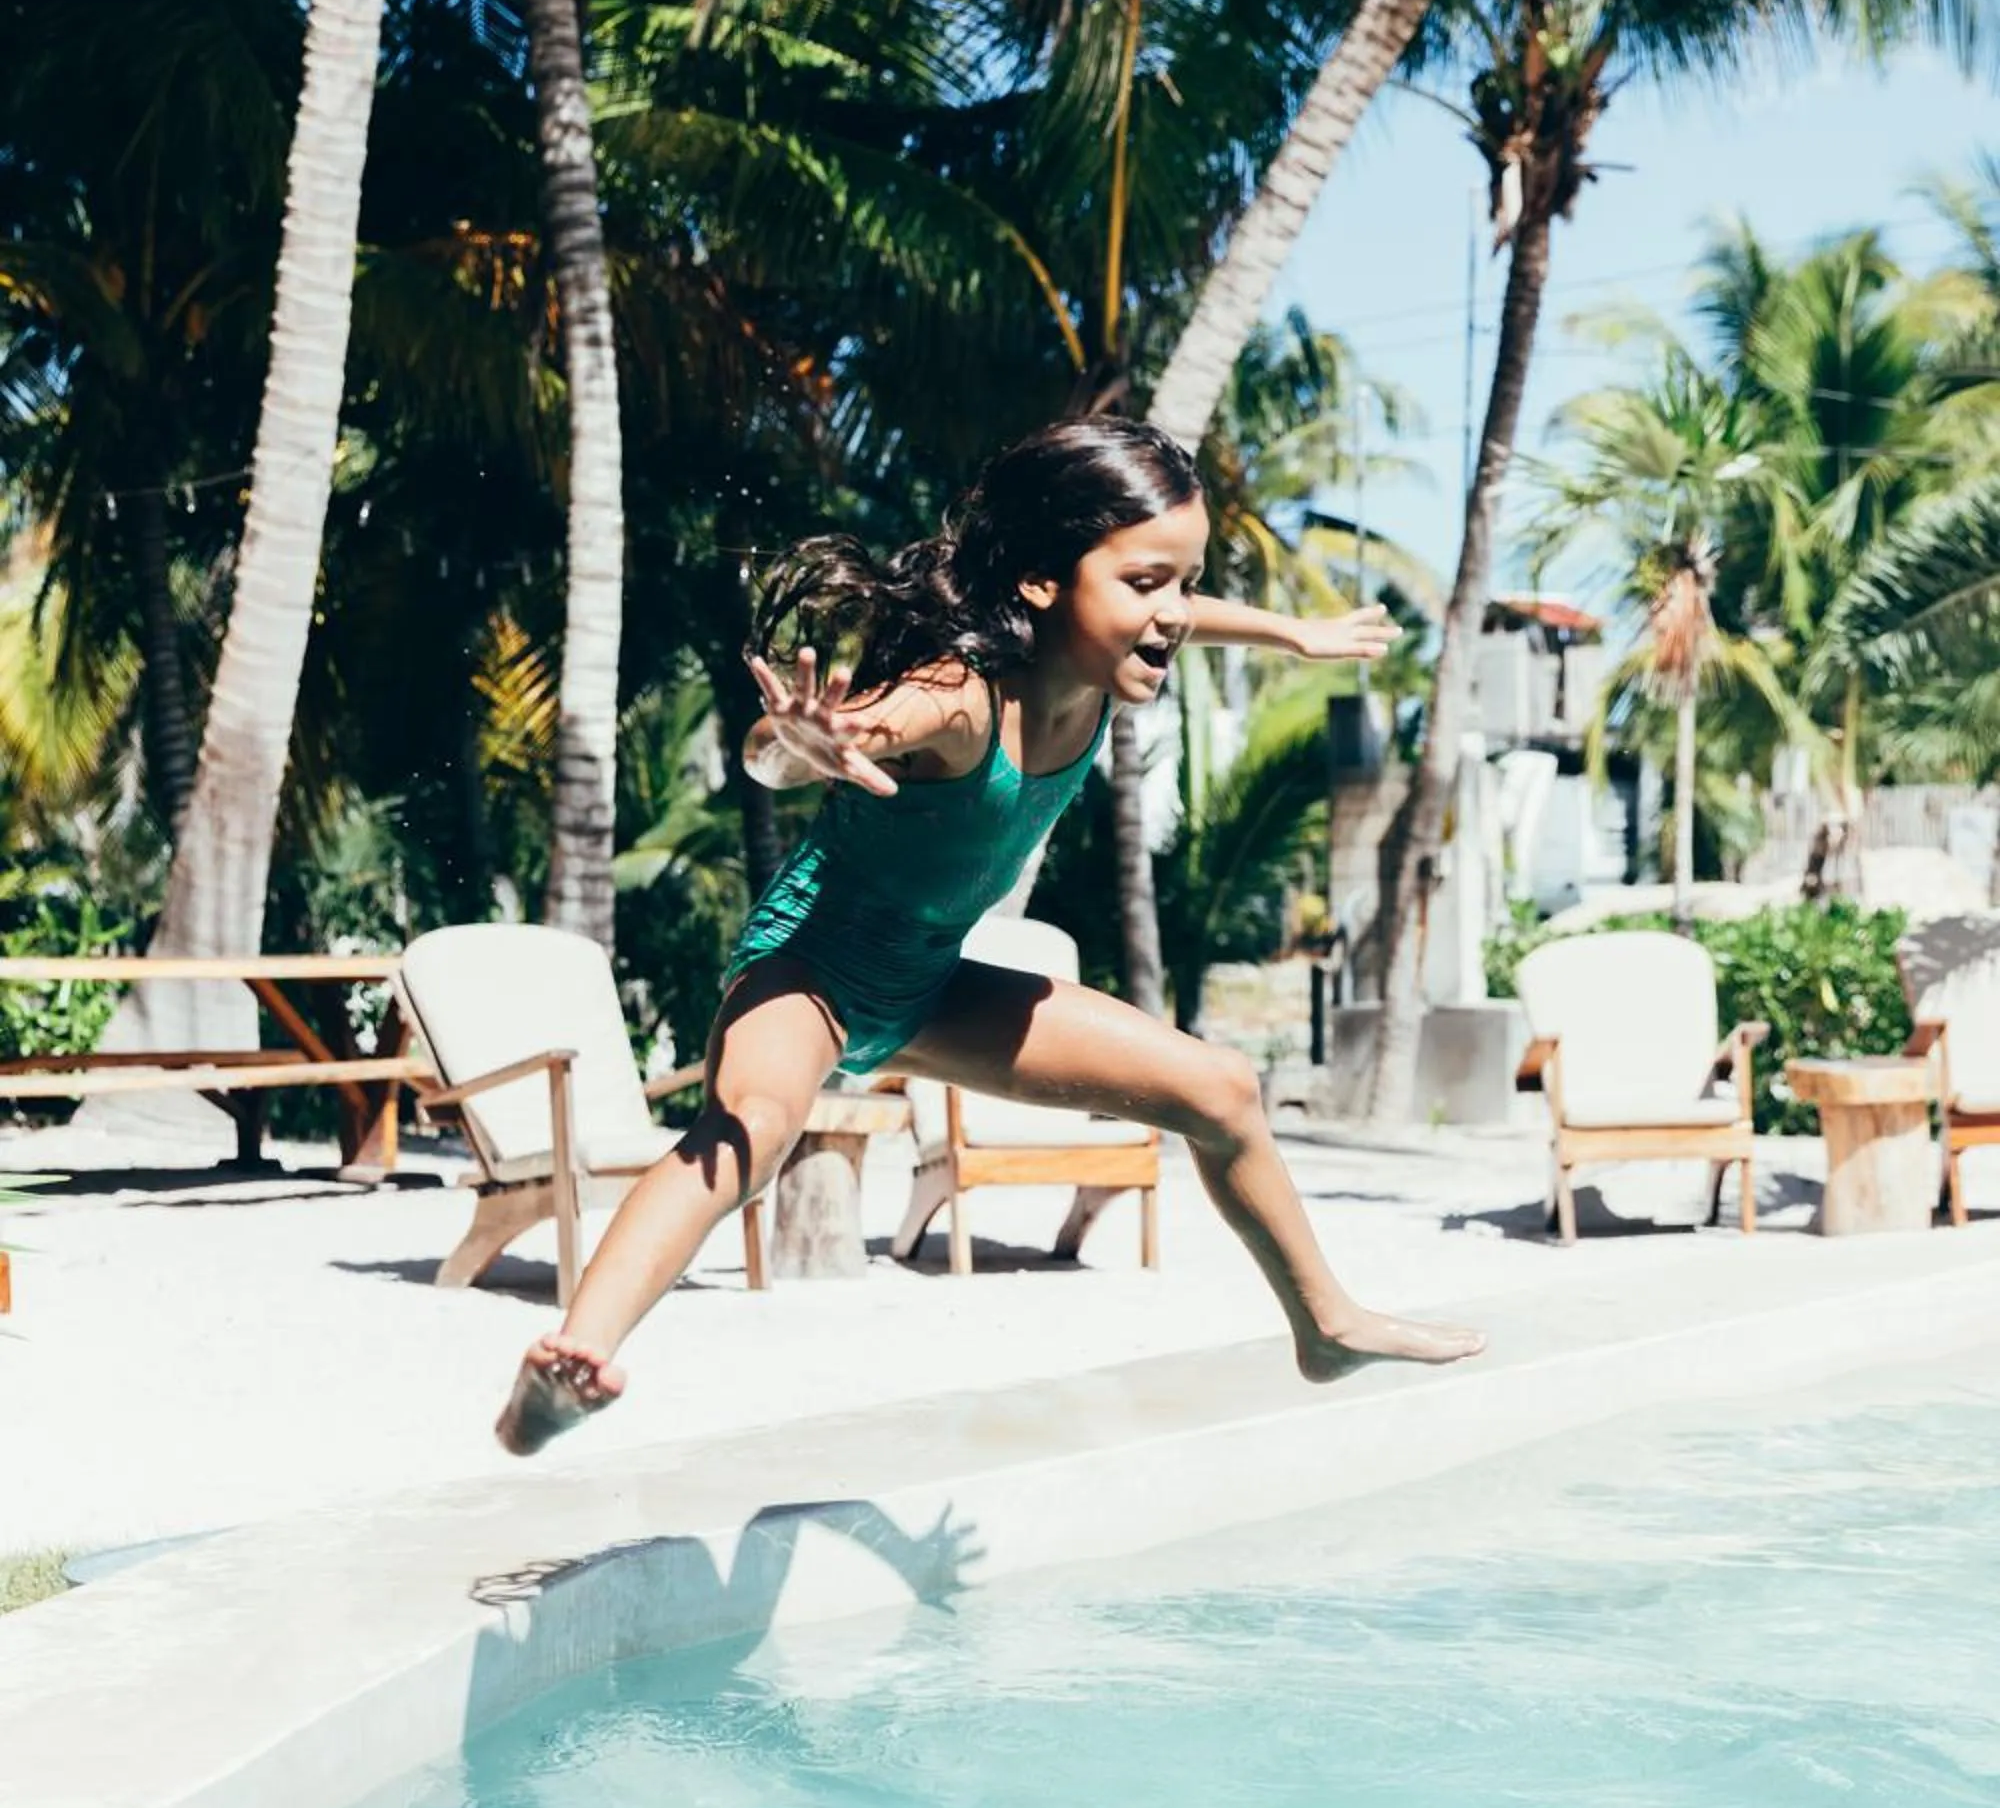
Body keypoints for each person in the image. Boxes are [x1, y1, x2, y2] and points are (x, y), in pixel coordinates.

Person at [497, 417, 1482, 1454]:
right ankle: (570, 1363)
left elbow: (1169, 602)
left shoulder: (1106, 657)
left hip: (930, 987)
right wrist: (794, 743)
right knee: (753, 1128)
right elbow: (794, 749)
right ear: (1041, 582)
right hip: (809, 970)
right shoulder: (957, 698)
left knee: (1222, 1089)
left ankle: (1323, 1326)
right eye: (1149, 585)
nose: (1174, 615)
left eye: (1184, 584)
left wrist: (1291, 634)